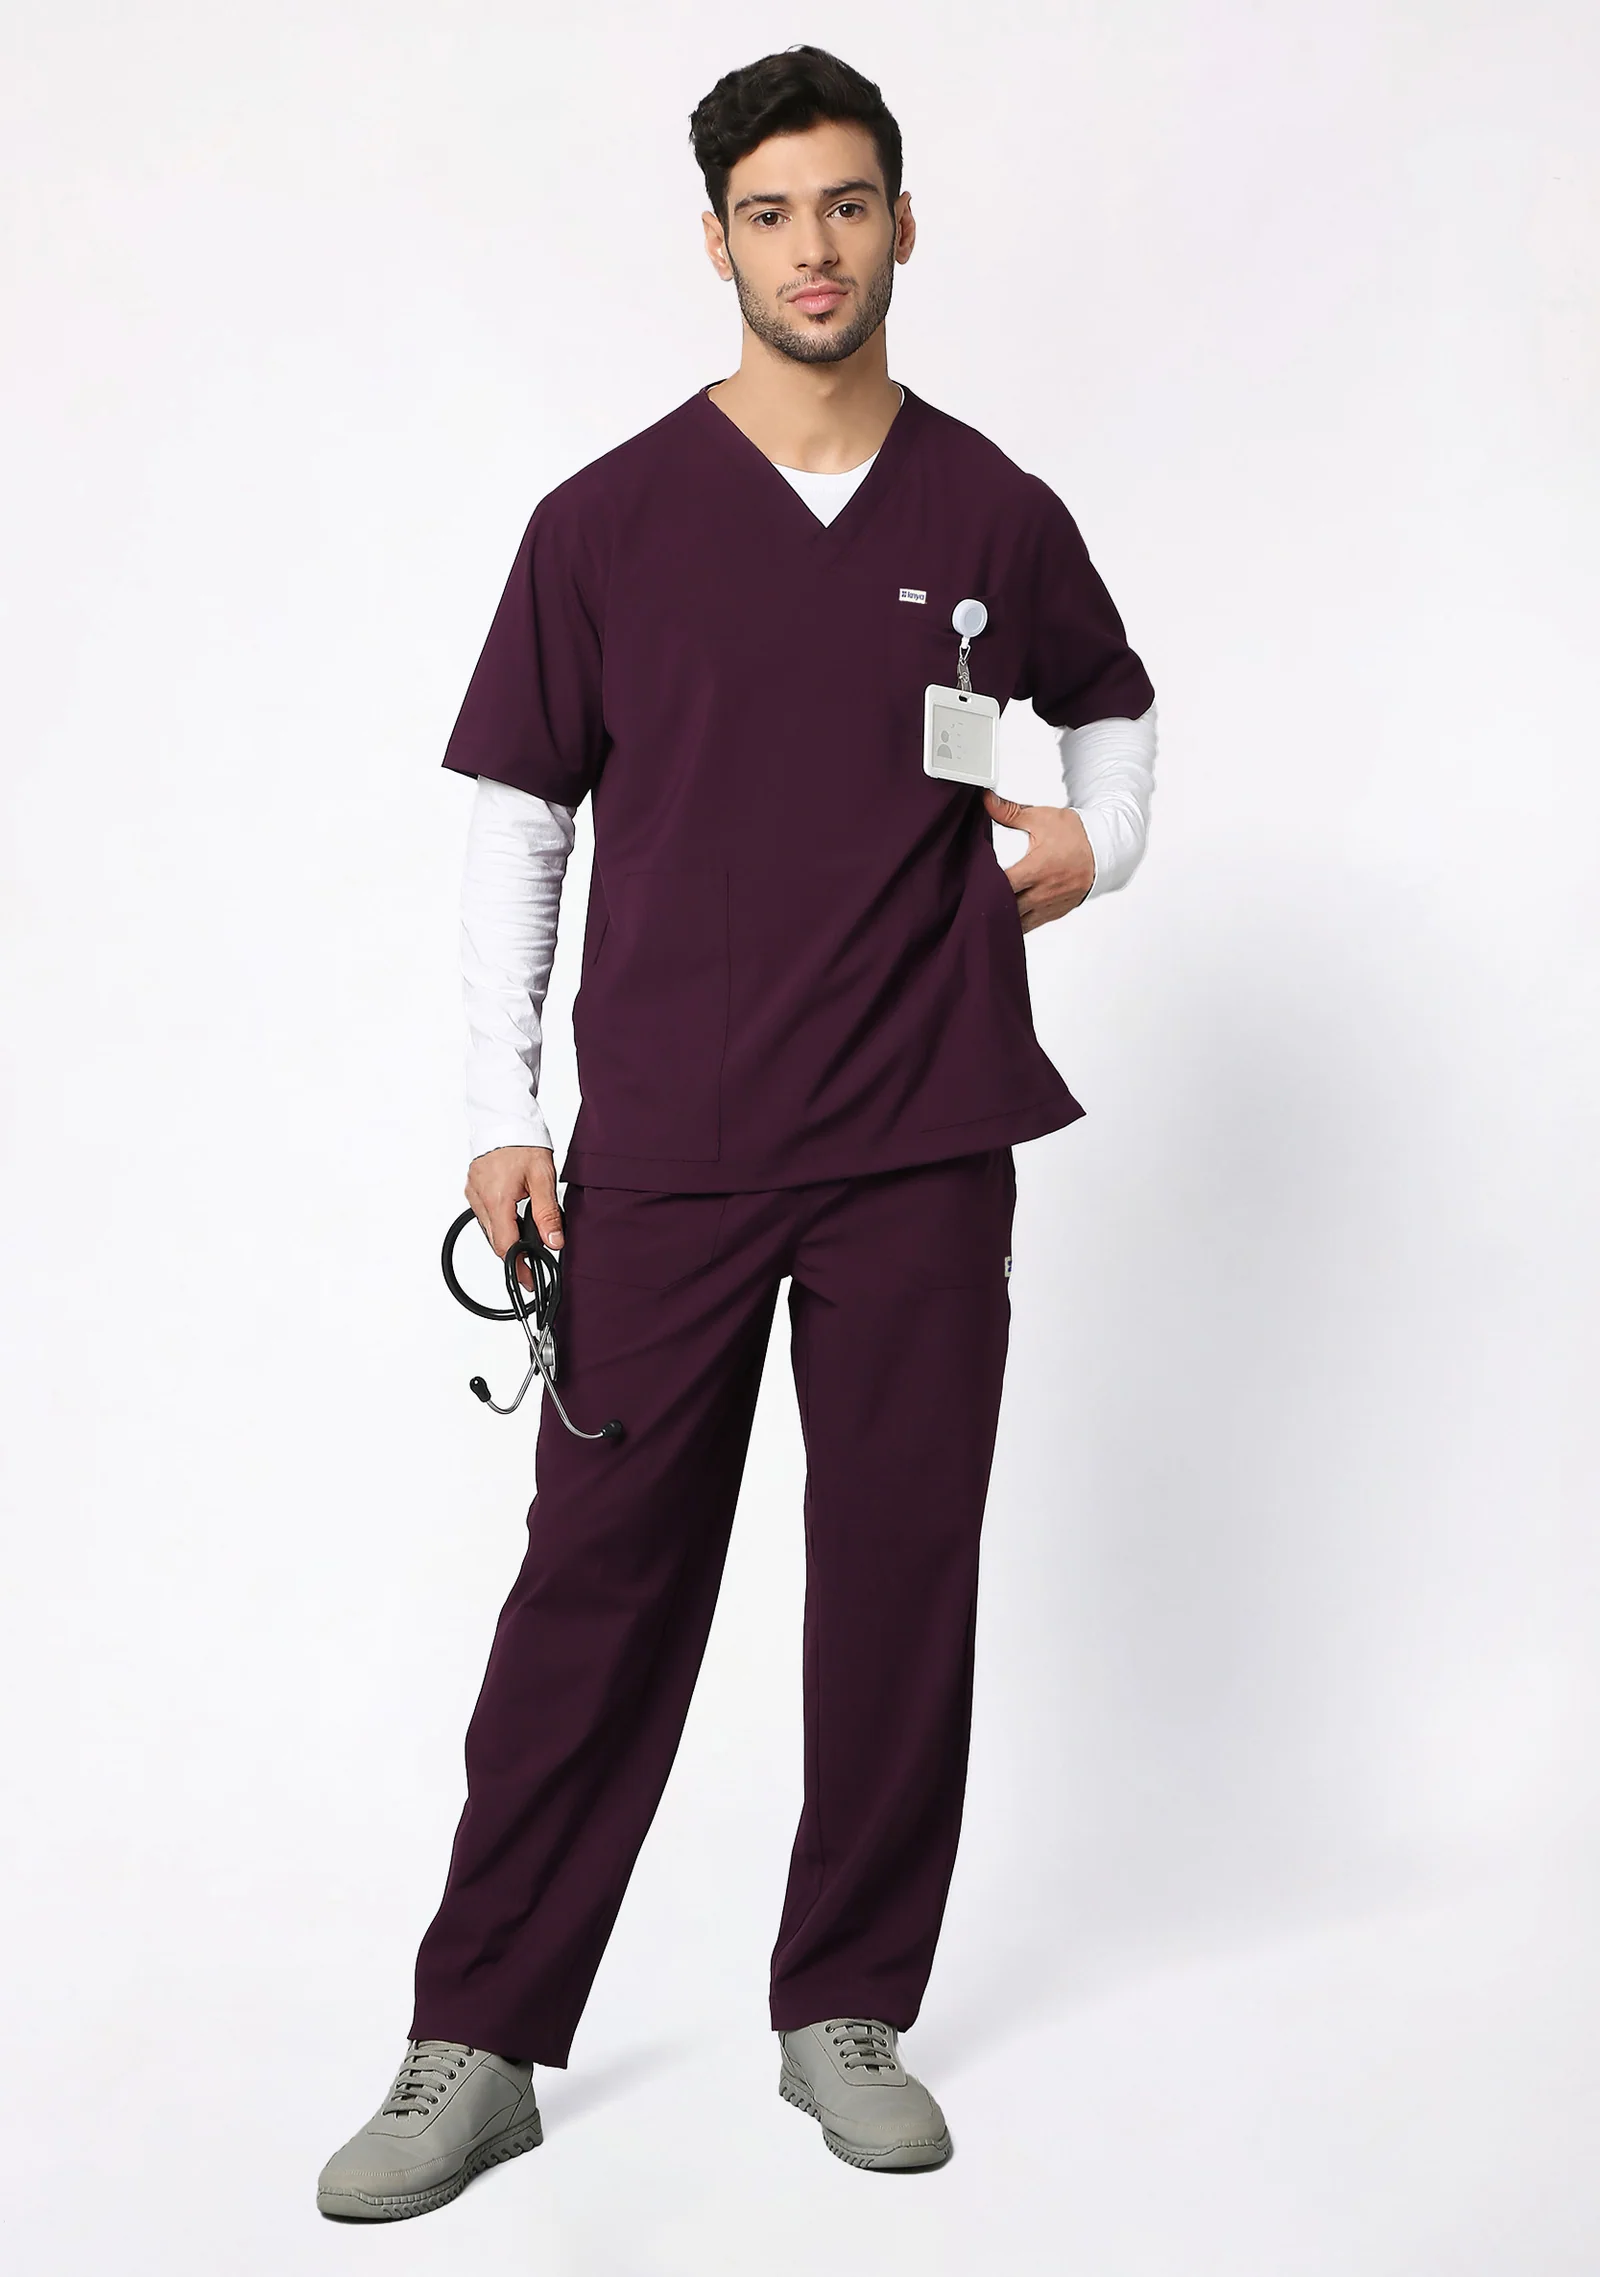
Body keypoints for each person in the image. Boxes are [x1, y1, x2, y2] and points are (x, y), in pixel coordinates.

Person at [317, 43, 1158, 2219]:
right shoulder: (603, 523)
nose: (814, 246)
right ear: (716, 242)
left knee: (897, 1579)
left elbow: (1109, 697)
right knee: (592, 1594)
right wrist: (500, 1110)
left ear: (902, 223)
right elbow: (518, 819)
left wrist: (1100, 841)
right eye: (771, 212)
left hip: (921, 1134)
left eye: (847, 203)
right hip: (672, 1150)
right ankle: (477, 2036)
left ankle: (844, 2004)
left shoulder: (986, 509)